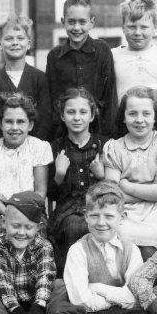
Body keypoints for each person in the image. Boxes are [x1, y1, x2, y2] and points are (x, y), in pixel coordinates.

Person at [46, 182, 157, 314]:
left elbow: (132, 297)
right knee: (57, 312)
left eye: (109, 216)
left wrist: (97, 288)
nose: (101, 223)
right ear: (86, 216)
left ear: (122, 218)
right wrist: (114, 300)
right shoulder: (78, 250)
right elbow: (81, 301)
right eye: (94, 216)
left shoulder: (131, 250)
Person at [103, 86, 157, 261]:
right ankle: (126, 284)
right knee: (121, 232)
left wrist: (126, 186)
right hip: (125, 209)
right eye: (132, 114)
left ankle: (152, 285)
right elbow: (112, 195)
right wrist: (152, 188)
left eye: (146, 114)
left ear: (155, 117)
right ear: (123, 117)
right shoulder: (114, 147)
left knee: (155, 234)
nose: (139, 120)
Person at [48, 88, 108, 277]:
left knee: (101, 223)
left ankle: (101, 275)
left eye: (83, 112)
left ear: (92, 116)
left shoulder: (105, 145)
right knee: (76, 226)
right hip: (68, 208)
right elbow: (52, 195)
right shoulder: (55, 147)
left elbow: (113, 188)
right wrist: (59, 174)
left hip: (100, 204)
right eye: (71, 112)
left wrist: (101, 177)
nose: (77, 117)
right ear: (62, 116)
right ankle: (70, 279)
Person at [0, 92, 53, 240]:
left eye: (20, 122)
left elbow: (40, 190)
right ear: (0, 123)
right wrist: (10, 214)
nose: (14, 127)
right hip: (0, 213)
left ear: (30, 125)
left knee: (37, 236)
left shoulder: (39, 147)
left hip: (33, 211)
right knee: (3, 233)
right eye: (8, 121)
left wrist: (24, 215)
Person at [46, 0, 117, 139]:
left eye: (82, 22)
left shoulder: (102, 50)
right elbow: (54, 100)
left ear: (91, 23)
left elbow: (110, 96)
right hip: (66, 133)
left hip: (98, 131)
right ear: (63, 22)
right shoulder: (54, 56)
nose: (76, 28)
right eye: (71, 22)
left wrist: (109, 137)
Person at [112, 0, 157, 133]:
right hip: (123, 130)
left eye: (144, 27)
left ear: (154, 27)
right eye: (131, 26)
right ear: (123, 27)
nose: (137, 32)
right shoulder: (113, 56)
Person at [0, 15, 52, 142]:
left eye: (20, 38)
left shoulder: (40, 79)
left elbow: (44, 121)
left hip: (33, 152)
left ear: (28, 44)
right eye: (9, 38)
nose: (15, 42)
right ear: (0, 44)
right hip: (3, 151)